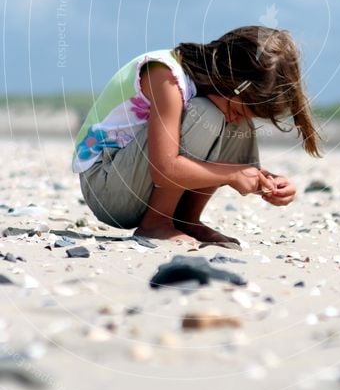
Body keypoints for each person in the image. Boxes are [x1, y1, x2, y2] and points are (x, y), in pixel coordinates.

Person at [72, 25, 322, 245]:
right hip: (108, 186)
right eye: (236, 108)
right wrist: (234, 174)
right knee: (207, 114)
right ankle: (156, 224)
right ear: (229, 79)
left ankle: (185, 220)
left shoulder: (215, 93)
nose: (235, 117)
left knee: (235, 123)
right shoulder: (165, 76)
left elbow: (229, 166)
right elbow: (165, 167)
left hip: (137, 181)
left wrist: (265, 182)